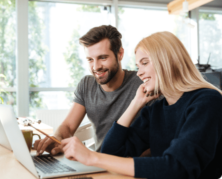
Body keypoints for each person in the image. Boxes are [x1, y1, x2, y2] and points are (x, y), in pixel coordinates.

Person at [61, 31, 222, 179]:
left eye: (145, 63)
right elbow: (112, 152)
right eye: (138, 66)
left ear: (166, 61)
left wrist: (92, 157)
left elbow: (177, 167)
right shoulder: (155, 110)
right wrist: (135, 103)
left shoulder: (207, 101)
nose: (139, 73)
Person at [34, 25, 144, 155]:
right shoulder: (87, 84)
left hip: (130, 166)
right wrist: (57, 137)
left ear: (120, 54)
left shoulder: (142, 84)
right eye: (90, 60)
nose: (96, 67)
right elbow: (68, 126)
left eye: (103, 58)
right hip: (97, 164)